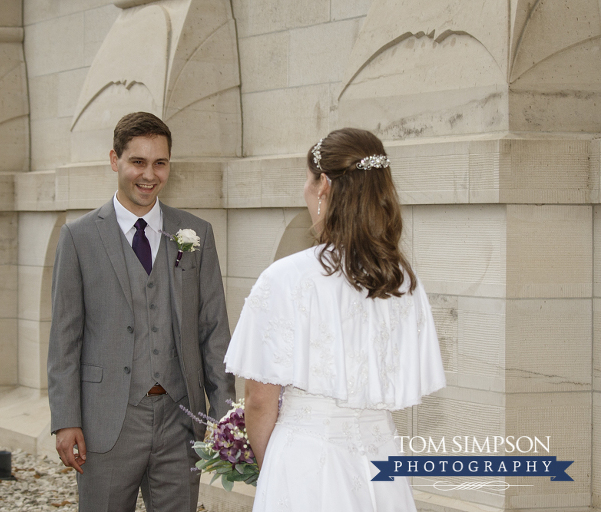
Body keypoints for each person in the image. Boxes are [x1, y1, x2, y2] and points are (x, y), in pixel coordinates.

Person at [224, 128, 446, 511]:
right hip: (382, 463)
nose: (305, 190)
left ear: (323, 184)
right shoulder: (403, 282)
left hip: (306, 466)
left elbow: (260, 400)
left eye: (307, 180)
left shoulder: (285, 278)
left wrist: (273, 467)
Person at [48, 111, 235, 512]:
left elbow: (213, 328)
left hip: (181, 418)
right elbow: (65, 338)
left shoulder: (195, 233)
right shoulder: (78, 238)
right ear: (115, 160)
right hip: (107, 421)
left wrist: (225, 415)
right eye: (138, 162)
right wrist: (66, 419)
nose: (149, 175)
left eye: (160, 163)